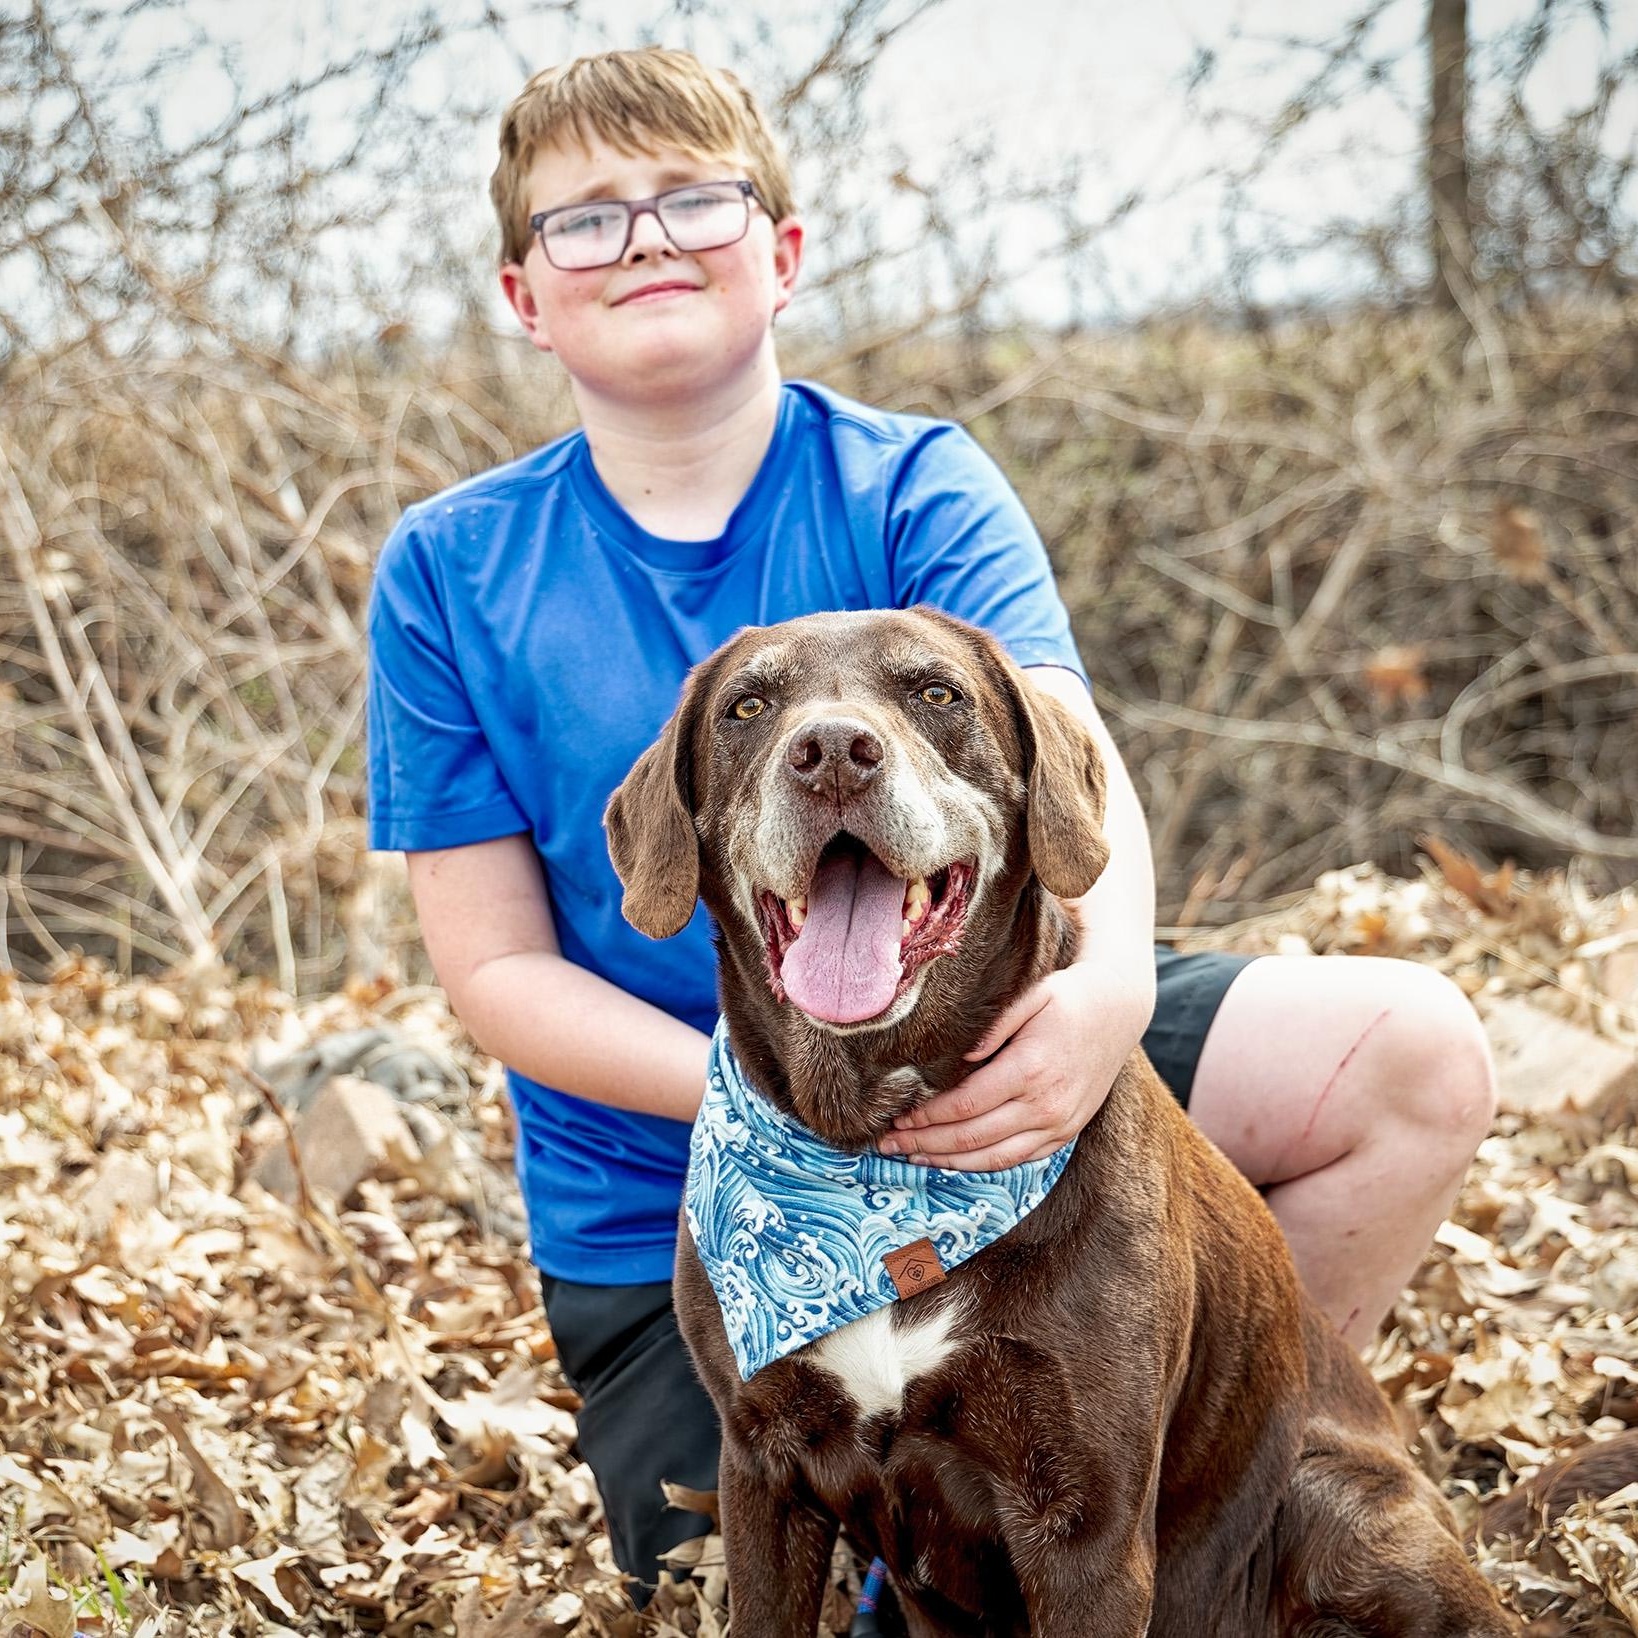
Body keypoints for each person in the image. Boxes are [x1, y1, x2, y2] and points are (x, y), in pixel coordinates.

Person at [365, 46, 1499, 1608]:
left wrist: (1097, 1005)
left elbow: (1066, 758)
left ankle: (1210, 1476)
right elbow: (487, 968)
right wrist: (769, 1100)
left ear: (781, 253)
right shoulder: (449, 566)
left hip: (999, 1033)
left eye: (689, 199)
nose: (639, 239)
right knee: (719, 1556)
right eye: (585, 219)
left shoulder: (914, 478)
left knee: (1415, 1049)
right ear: (519, 292)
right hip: (680, 1161)